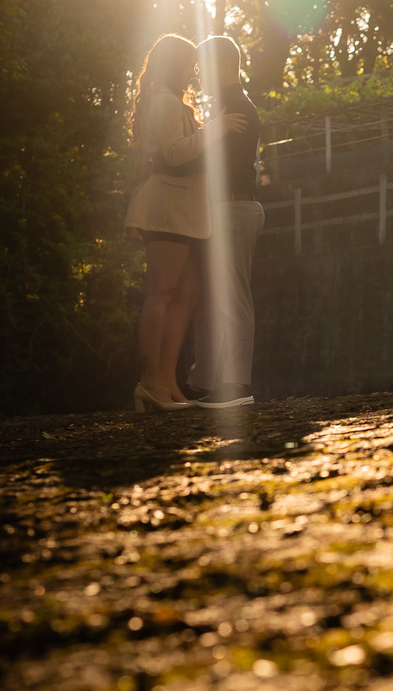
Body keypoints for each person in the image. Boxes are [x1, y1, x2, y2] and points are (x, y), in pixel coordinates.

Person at [124, 34, 246, 413]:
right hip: (168, 207)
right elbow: (175, 154)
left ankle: (168, 380)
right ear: (172, 64)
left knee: (188, 295)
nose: (193, 70)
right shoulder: (162, 102)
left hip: (189, 212)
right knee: (161, 294)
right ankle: (149, 383)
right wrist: (218, 127)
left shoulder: (175, 102)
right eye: (188, 63)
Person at [187, 35, 265, 409]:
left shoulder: (238, 108)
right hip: (222, 209)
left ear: (220, 66)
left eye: (203, 68)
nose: (199, 76)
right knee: (210, 297)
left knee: (232, 296)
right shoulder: (226, 109)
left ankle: (236, 385)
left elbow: (210, 164)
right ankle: (205, 381)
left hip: (234, 208)